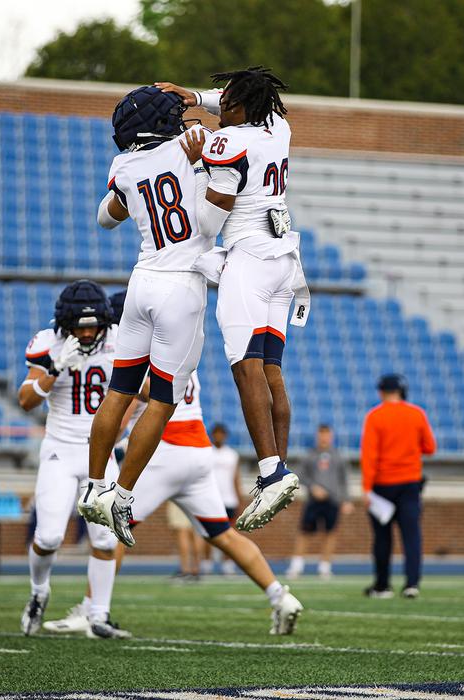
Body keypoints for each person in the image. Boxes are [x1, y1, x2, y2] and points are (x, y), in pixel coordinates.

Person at [156, 67, 307, 533]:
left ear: (240, 107)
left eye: (226, 104)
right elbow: (229, 102)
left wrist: (200, 165)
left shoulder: (227, 144)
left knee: (245, 369)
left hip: (250, 263)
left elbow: (205, 222)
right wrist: (195, 96)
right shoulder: (278, 125)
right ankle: (274, 473)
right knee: (271, 371)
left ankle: (270, 471)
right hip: (286, 260)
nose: (218, 111)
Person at [61, 369, 303, 637]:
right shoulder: (182, 347)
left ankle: (92, 610)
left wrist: (104, 444)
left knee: (109, 530)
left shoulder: (147, 349)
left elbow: (123, 415)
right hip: (199, 452)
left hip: (164, 451)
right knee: (222, 534)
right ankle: (280, 596)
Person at [80, 85, 217, 548]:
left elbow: (105, 217)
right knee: (162, 400)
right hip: (182, 283)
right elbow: (212, 215)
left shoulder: (123, 165)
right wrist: (197, 162)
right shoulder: (189, 143)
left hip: (141, 280)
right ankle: (121, 495)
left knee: (118, 390)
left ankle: (95, 484)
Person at [16, 280, 123, 637]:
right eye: (81, 325)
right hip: (61, 450)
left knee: (106, 540)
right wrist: (55, 369)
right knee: (47, 538)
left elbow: (143, 389)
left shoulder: (119, 339)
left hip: (101, 452)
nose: (89, 332)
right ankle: (39, 591)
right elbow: (25, 400)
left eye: (94, 325)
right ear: (65, 323)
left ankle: (99, 614)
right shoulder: (49, 344)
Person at [360, 374, 436, 599]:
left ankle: (382, 586)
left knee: (383, 538)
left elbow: (369, 456)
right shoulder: (417, 413)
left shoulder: (375, 416)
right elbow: (430, 447)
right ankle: (412, 584)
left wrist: (366, 488)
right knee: (411, 536)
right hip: (410, 484)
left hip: (382, 486)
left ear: (382, 392)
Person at [287, 424, 353, 580]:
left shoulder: (338, 456)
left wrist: (346, 500)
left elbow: (344, 480)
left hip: (333, 500)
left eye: (327, 434)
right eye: (321, 434)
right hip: (313, 500)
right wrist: (313, 487)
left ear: (331, 436)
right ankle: (296, 566)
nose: (324, 438)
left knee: (330, 533)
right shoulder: (310, 455)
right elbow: (300, 476)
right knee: (304, 532)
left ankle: (325, 567)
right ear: (317, 436)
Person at [203, 423, 241, 574]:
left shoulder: (232, 455)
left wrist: (239, 499)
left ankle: (228, 563)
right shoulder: (206, 453)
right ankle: (206, 562)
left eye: (221, 433)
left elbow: (236, 479)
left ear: (225, 436)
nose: (218, 436)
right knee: (208, 533)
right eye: (216, 433)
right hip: (210, 499)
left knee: (229, 534)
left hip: (229, 500)